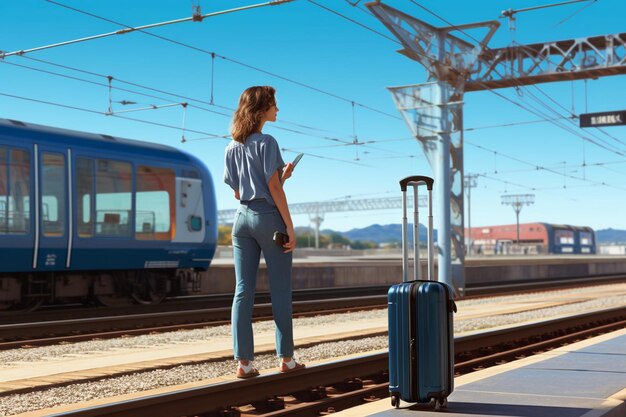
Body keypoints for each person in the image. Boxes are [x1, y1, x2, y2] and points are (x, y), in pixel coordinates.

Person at [223, 86, 306, 378]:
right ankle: (286, 359)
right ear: (262, 109)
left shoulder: (231, 146)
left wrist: (279, 178)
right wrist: (290, 226)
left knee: (242, 290)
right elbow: (272, 189)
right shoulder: (267, 142)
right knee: (280, 289)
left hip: (241, 220)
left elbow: (238, 193)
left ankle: (243, 363)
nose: (277, 109)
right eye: (274, 104)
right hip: (269, 219)